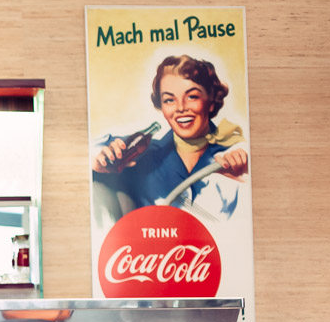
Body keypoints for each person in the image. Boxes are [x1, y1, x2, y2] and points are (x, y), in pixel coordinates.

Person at [93, 54, 248, 217]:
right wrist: (99, 162)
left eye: (192, 97)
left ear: (210, 101)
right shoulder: (141, 155)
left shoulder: (236, 155)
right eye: (169, 100)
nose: (181, 108)